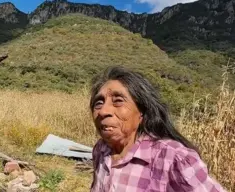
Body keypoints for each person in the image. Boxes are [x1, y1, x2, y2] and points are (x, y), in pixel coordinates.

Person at [89, 66, 226, 192]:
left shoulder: (173, 158)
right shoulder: (101, 150)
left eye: (118, 100)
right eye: (98, 103)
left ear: (142, 111)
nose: (103, 111)